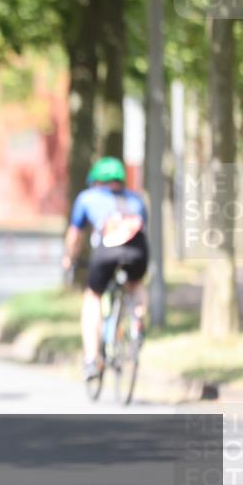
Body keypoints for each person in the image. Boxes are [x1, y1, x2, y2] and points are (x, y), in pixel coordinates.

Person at [62, 156, 148, 380]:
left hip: (107, 250)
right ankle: (137, 321)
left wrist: (69, 259)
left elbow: (75, 235)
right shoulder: (136, 199)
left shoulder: (88, 197)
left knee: (93, 297)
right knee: (136, 285)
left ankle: (91, 359)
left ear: (96, 180)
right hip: (138, 250)